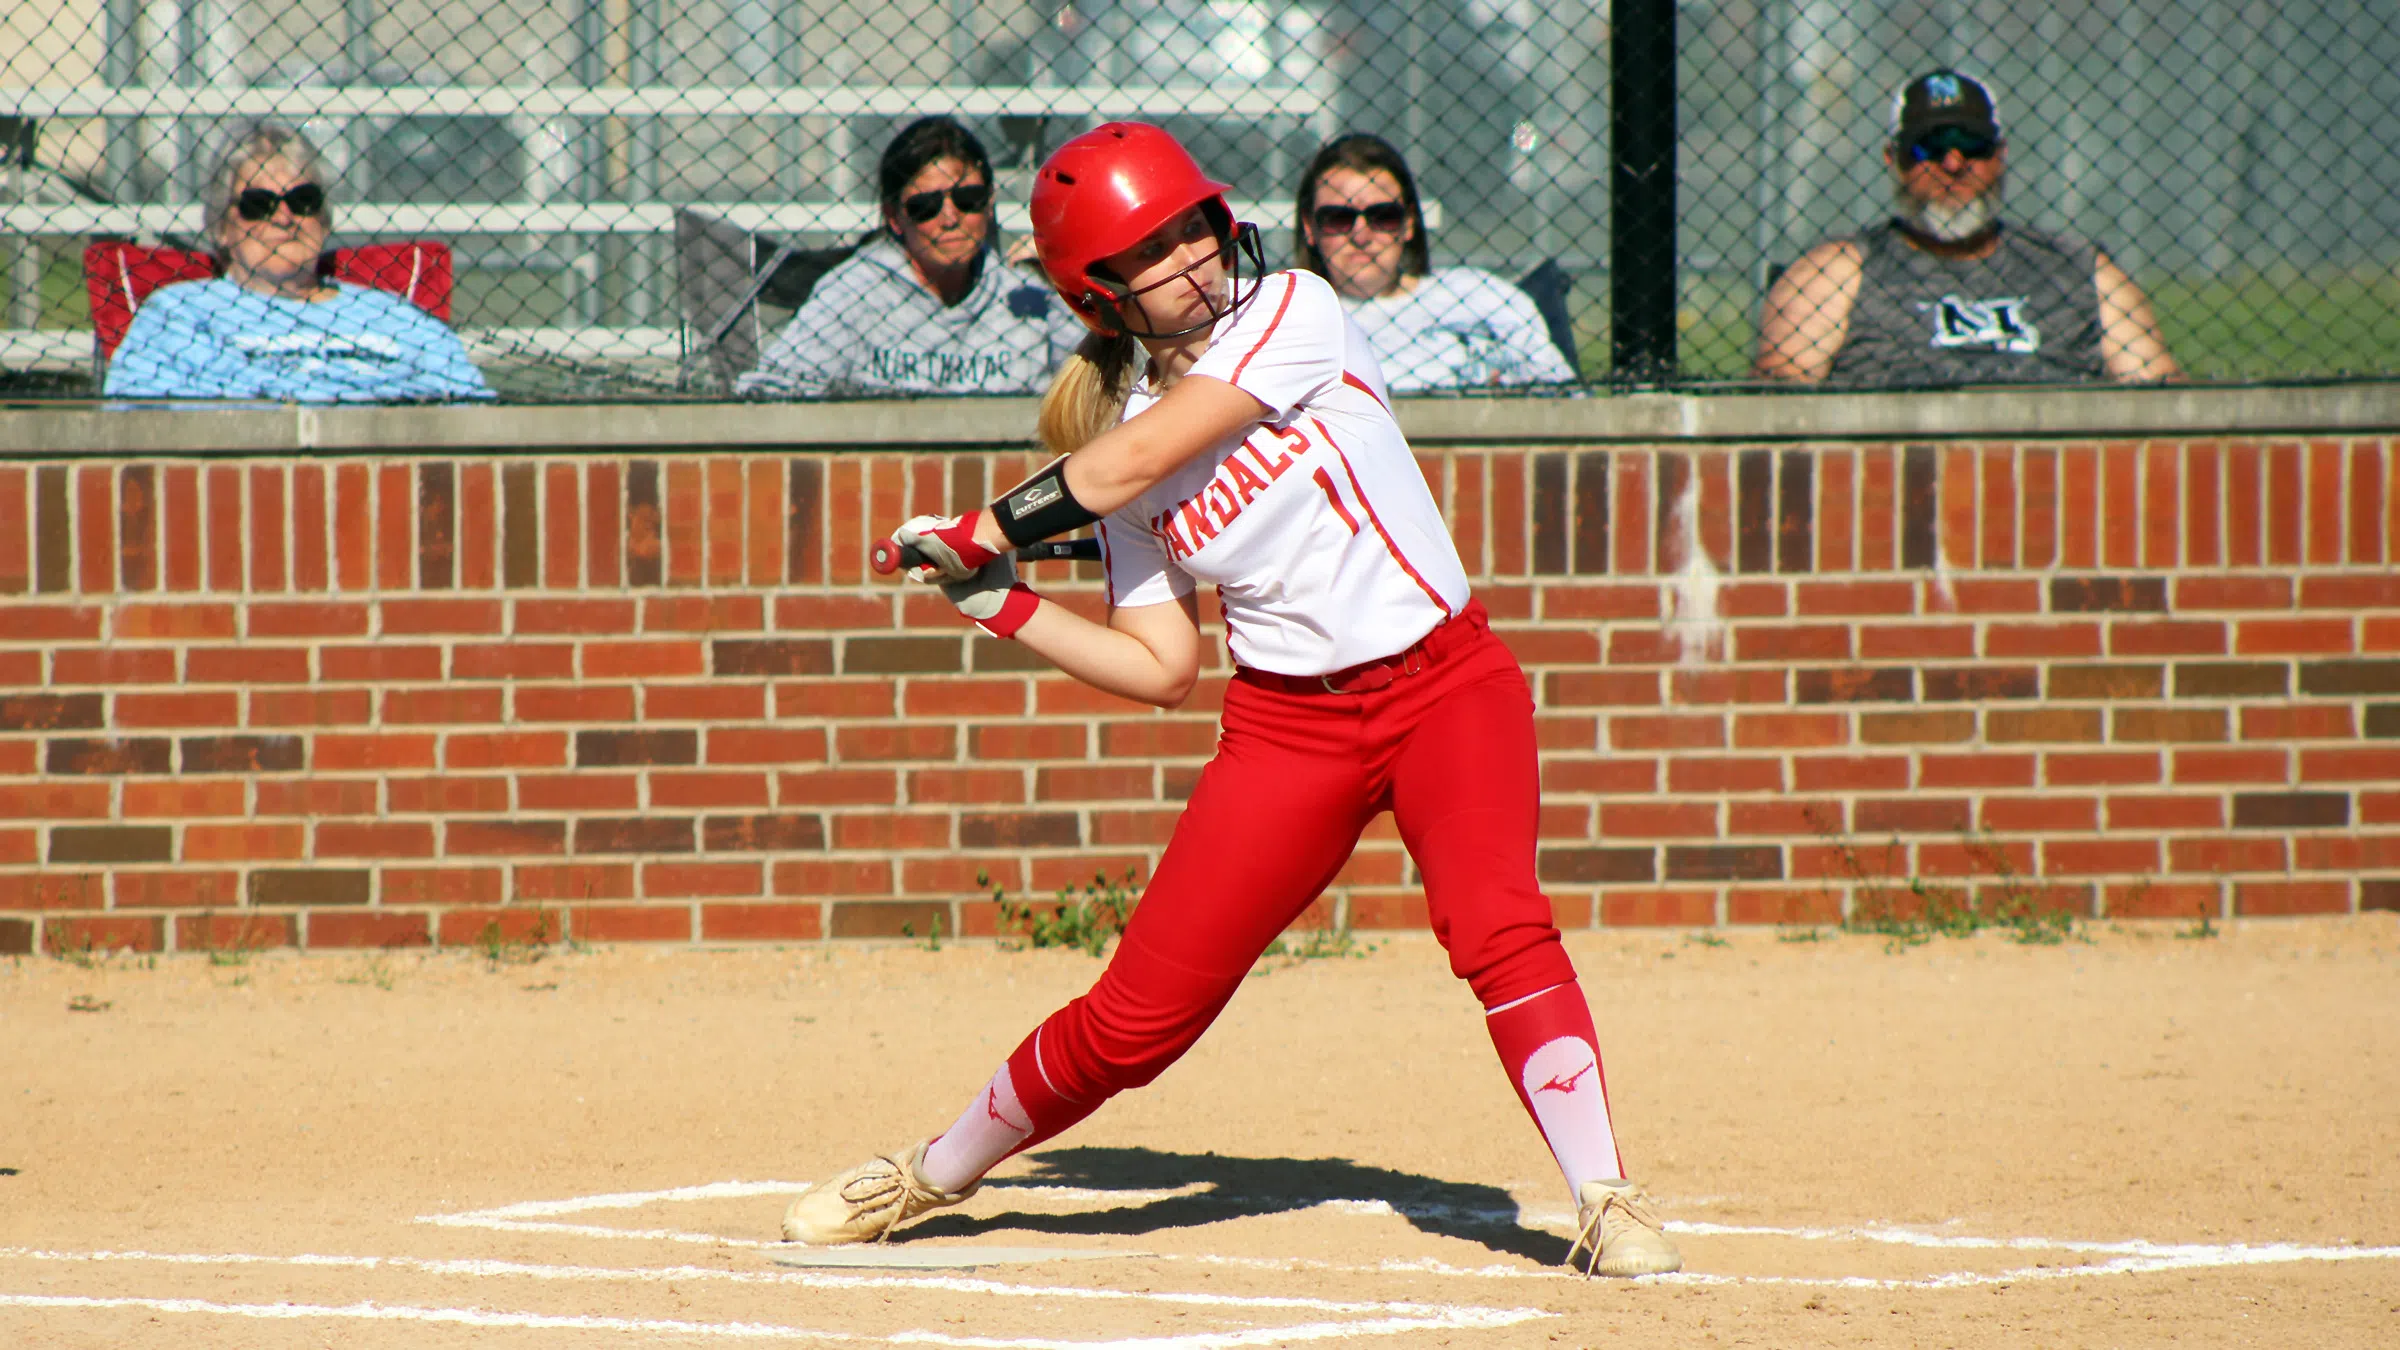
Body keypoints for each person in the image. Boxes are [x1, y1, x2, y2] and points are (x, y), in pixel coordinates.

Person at [784, 122, 1681, 1279]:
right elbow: (1161, 664)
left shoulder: (1291, 313)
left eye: (1193, 228)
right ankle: (932, 1174)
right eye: (1150, 253)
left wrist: (989, 524)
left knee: (1498, 924)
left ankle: (1603, 1196)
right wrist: (999, 601)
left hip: (1447, 685)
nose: (1194, 260)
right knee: (1136, 1019)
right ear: (1099, 297)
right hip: (1289, 729)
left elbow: (1125, 464)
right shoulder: (1113, 453)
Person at [1753, 69, 2179, 387]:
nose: (1953, 165)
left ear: (2001, 154)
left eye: (1971, 145)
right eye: (1930, 148)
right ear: (1893, 159)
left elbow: (2164, 398)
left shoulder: (2078, 268)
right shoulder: (1835, 275)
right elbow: (1779, 408)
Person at [103, 122, 492, 402]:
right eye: (259, 205)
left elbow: (471, 405)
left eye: (302, 200)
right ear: (222, 227)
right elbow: (133, 421)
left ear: (322, 219)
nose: (284, 218)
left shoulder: (392, 315)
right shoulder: (179, 313)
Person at [735, 116, 1083, 398]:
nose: (950, 218)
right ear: (893, 217)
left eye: (968, 198)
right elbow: (766, 389)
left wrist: (1065, 280)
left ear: (990, 202)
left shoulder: (1025, 294)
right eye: (925, 206)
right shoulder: (856, 291)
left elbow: (1096, 390)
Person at [1294, 132, 1577, 391]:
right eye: (1338, 219)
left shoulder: (1478, 296)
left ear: (1409, 223)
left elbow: (1564, 396)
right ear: (1309, 228)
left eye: (1383, 216)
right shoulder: (1290, 319)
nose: (1361, 235)